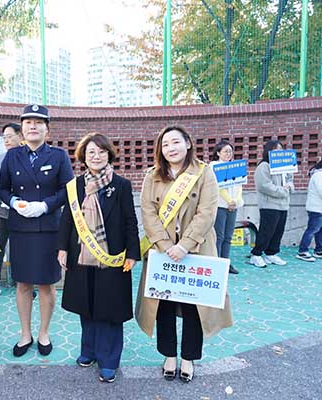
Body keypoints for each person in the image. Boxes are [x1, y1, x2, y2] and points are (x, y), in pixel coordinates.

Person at [136, 125, 233, 383]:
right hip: (162, 251)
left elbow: (207, 212)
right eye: (165, 144)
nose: (171, 148)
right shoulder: (152, 175)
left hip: (196, 249)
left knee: (194, 306)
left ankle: (188, 358)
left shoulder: (203, 172)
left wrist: (184, 245)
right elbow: (147, 212)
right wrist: (166, 244)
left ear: (188, 143)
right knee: (164, 304)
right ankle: (169, 355)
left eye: (176, 142)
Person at [57, 133, 140, 383]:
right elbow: (67, 220)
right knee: (87, 305)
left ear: (109, 155)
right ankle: (89, 351)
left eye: (101, 152)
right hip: (81, 256)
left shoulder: (121, 185)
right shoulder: (75, 186)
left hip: (112, 257)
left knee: (110, 309)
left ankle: (109, 359)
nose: (96, 156)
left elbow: (130, 221)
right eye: (91, 152)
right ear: (83, 156)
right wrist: (62, 248)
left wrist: (133, 253)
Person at [0, 104, 74, 357]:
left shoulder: (59, 156)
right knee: (22, 283)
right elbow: (1, 190)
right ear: (22, 130)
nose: (33, 126)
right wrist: (14, 203)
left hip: (49, 228)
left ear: (47, 130)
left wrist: (45, 205)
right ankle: (25, 334)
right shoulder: (12, 156)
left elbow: (67, 190)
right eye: (28, 122)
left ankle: (44, 333)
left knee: (47, 285)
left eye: (38, 122)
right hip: (20, 228)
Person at [0, 123, 24, 296]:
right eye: (4, 137)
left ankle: (23, 284)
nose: (7, 140)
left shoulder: (27, 157)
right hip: (2, 211)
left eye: (10, 136)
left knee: (20, 249)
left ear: (20, 136)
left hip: (22, 212)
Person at [249, 140, 291, 268]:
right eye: (276, 150)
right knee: (266, 231)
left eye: (281, 150)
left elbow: (290, 181)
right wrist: (283, 191)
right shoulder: (264, 166)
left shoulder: (285, 166)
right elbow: (264, 186)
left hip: (283, 205)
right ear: (269, 151)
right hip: (269, 205)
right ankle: (256, 255)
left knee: (278, 231)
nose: (279, 153)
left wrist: (289, 188)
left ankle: (271, 253)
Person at [210, 140, 243, 274]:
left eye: (230, 151)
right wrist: (229, 200)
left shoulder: (235, 166)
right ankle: (217, 264)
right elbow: (218, 187)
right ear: (218, 153)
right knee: (219, 236)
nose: (228, 154)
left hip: (233, 205)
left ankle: (226, 262)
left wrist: (235, 200)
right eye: (225, 151)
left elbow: (239, 185)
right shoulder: (214, 166)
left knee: (229, 236)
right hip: (220, 205)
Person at [295, 159, 322, 262]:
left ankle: (319, 250)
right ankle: (302, 251)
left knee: (319, 231)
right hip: (316, 208)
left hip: (319, 208)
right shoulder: (318, 175)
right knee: (312, 230)